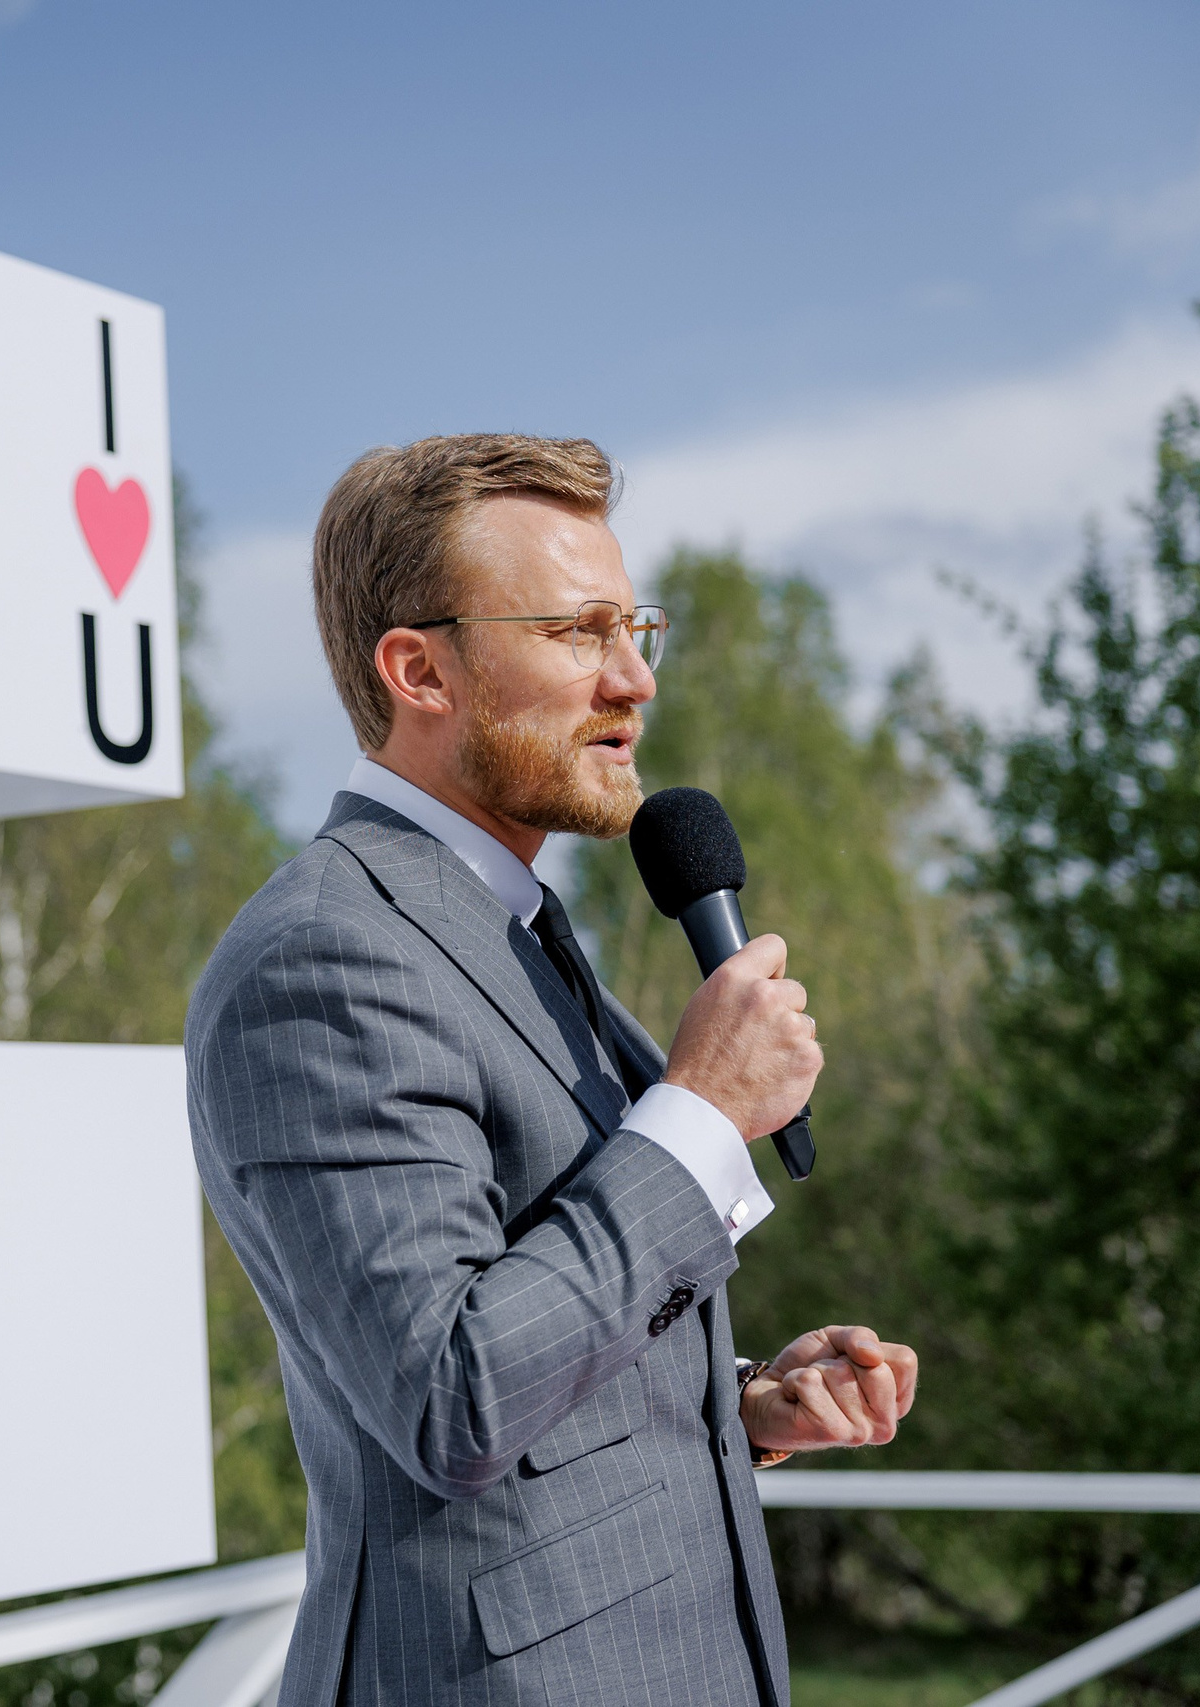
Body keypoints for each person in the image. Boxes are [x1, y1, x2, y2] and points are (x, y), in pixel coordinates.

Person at [186, 434, 919, 1707]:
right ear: (420, 670)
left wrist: (733, 1401)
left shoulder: (507, 923)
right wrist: (698, 1110)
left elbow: (537, 1323)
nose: (633, 678)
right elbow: (448, 1396)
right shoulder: (321, 958)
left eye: (634, 628)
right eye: (578, 633)